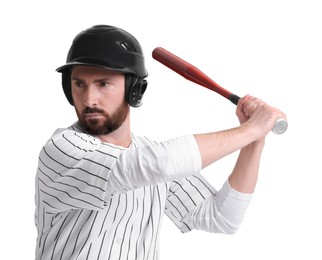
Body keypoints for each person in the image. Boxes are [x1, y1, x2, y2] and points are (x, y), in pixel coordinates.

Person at [34, 24, 286, 260]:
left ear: (134, 90)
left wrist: (254, 138)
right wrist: (253, 128)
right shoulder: (61, 149)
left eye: (103, 84)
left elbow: (222, 218)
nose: (89, 99)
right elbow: (157, 164)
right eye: (79, 84)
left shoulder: (148, 154)